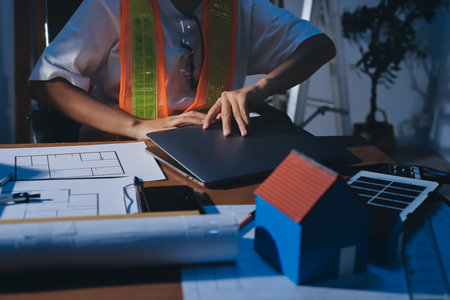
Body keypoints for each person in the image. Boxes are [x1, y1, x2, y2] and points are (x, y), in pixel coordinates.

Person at [29, 0, 335, 141]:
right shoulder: (111, 5)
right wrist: (136, 126)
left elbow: (319, 46)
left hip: (213, 145)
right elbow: (46, 82)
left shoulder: (241, 7)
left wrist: (257, 90)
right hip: (124, 142)